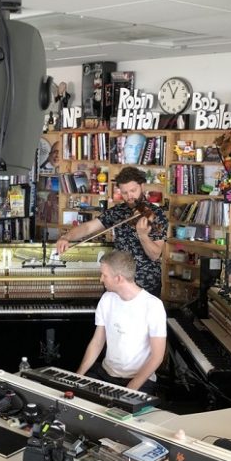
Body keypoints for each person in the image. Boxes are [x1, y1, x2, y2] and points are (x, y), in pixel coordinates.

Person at [56, 166, 167, 297]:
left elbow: (155, 255)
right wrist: (66, 237)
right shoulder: (117, 211)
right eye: (125, 193)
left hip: (146, 285)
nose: (129, 196)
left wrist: (142, 235)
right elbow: (88, 227)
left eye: (133, 190)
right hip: (118, 283)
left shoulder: (157, 214)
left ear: (142, 186)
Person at [77, 250, 166, 394]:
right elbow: (97, 342)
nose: (101, 279)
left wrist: (130, 389)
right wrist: (79, 374)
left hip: (139, 379)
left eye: (104, 275)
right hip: (106, 374)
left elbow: (157, 356)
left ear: (118, 278)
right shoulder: (107, 299)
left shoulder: (153, 305)